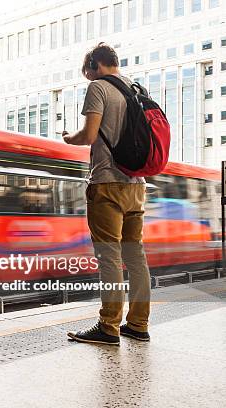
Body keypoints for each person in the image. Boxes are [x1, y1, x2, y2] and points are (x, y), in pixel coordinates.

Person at [62, 42, 151, 346]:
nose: (88, 78)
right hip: (136, 185)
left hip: (107, 183)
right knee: (135, 256)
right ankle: (138, 324)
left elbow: (88, 135)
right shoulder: (137, 88)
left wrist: (68, 138)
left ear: (96, 66)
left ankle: (109, 326)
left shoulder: (99, 87)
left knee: (109, 257)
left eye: (87, 72)